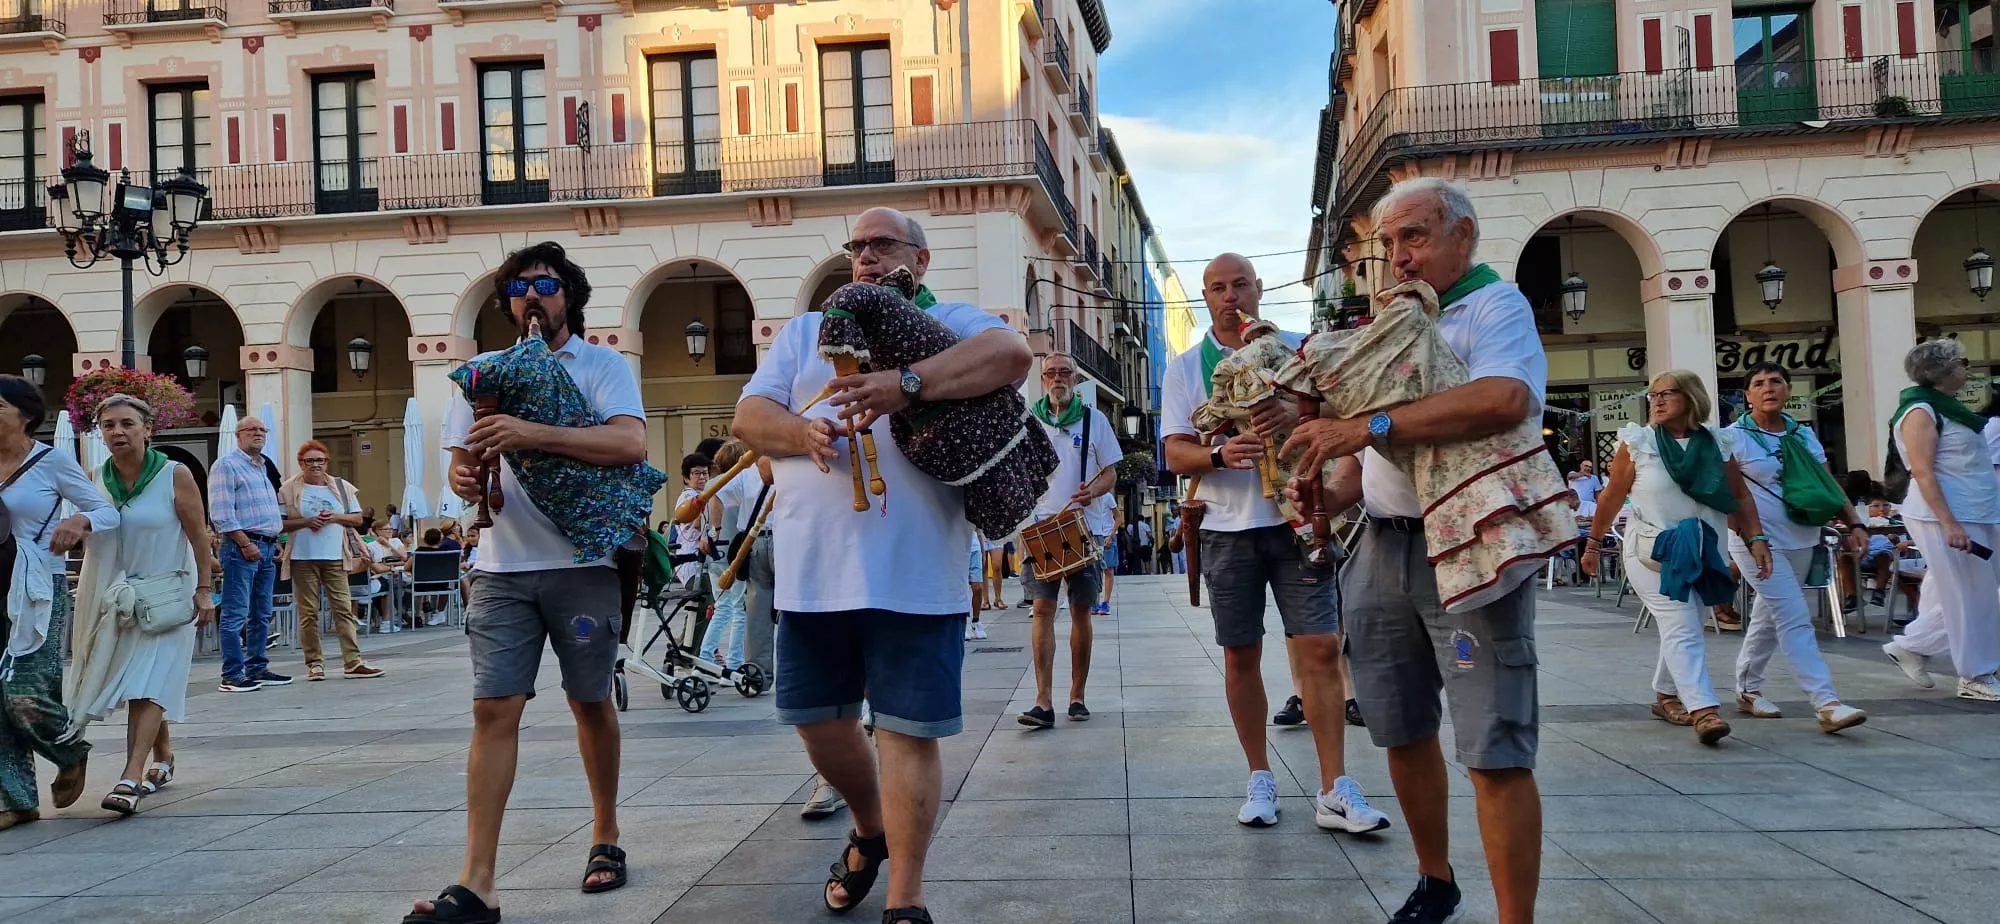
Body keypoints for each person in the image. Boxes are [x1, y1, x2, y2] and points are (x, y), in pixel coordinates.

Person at [732, 206, 1029, 924]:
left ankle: (906, 899)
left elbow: (1011, 356)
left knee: (907, 733)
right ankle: (870, 827)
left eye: (882, 244)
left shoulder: (950, 320)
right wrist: (800, 431)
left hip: (915, 570)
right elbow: (748, 418)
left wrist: (906, 385)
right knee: (817, 724)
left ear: (919, 260)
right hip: (812, 570)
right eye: (856, 246)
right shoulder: (806, 330)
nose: (864, 256)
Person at [1279, 180, 1547, 923]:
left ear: (1463, 235)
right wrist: (1330, 489)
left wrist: (1365, 428)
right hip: (1381, 546)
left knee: (1494, 742)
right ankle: (1436, 880)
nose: (1397, 256)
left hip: (1470, 544)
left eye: (1414, 237)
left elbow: (1504, 399)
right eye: (1389, 242)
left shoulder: (1494, 306)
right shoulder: (1393, 322)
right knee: (1398, 727)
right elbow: (1371, 458)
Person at [408, 241, 644, 923]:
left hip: (583, 564)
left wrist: (530, 432)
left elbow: (629, 443)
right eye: (518, 288)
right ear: (507, 303)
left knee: (589, 702)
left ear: (569, 294)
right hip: (501, 568)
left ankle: (606, 833)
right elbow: (461, 464)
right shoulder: (484, 373)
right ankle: (478, 880)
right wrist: (462, 478)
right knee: (493, 710)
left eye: (545, 284)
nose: (531, 296)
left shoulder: (600, 365)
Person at [1161, 253, 1388, 843]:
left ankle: (1335, 786)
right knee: (1241, 654)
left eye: (1240, 284)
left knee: (1320, 647)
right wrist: (1218, 455)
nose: (1230, 296)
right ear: (1206, 298)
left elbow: (1348, 411)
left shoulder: (1296, 350)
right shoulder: (1187, 367)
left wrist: (1294, 410)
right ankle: (1259, 776)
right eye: (1217, 288)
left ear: (1259, 289)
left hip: (1298, 520)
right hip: (1224, 528)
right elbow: (1175, 453)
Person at [1585, 369, 1771, 746]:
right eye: (1652, 395)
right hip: (1651, 551)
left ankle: (1665, 695)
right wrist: (1593, 542)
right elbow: (1612, 497)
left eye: (1666, 393)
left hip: (1703, 551)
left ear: (1690, 397)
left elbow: (1740, 496)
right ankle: (1704, 709)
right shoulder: (1639, 443)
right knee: (1682, 622)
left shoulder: (1716, 443)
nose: (1656, 401)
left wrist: (1756, 537)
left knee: (1685, 625)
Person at [65, 395, 215, 814]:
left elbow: (199, 535)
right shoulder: (96, 479)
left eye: (127, 423)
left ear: (148, 429)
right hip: (117, 599)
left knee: (149, 681)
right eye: (109, 425)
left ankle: (130, 778)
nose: (118, 432)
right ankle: (163, 757)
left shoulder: (174, 474)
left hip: (168, 594)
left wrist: (205, 589)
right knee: (140, 682)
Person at [1723, 363, 1868, 731]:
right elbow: (1725, 494)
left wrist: (1854, 522)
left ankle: (1747, 689)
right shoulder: (1731, 438)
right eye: (1758, 383)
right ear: (1747, 395)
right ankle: (1826, 702)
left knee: (1770, 615)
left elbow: (1827, 483)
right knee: (1793, 615)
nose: (1768, 388)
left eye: (1776, 381)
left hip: (1803, 536)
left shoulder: (1803, 434)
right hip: (1756, 542)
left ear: (1788, 389)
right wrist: (1748, 535)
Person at [0, 376, 116, 830]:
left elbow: (107, 511)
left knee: (22, 690)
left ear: (25, 415)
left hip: (35, 588)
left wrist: (80, 520)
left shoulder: (51, 461)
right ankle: (15, 801)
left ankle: (69, 752)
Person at [1882, 339, 2000, 701]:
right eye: (1962, 362)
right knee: (1972, 595)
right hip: (1946, 514)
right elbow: (1923, 471)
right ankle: (1976, 674)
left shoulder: (1949, 408)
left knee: (1970, 591)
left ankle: (1912, 647)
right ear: (1942, 370)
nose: (1968, 368)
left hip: (1976, 510)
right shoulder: (1920, 411)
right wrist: (1949, 523)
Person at [1016, 352, 1120, 727]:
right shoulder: (1029, 421)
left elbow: (1110, 473)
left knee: (1080, 610)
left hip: (1083, 527)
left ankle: (1077, 696)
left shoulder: (1094, 420)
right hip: (1041, 527)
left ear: (1075, 379)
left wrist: (1092, 493)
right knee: (1042, 609)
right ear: (1043, 379)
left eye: (1064, 372)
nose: (1057, 378)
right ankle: (1043, 701)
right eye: (1050, 373)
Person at [280, 440, 384, 680]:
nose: (315, 465)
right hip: (302, 557)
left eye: (320, 460)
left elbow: (357, 519)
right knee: (308, 613)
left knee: (343, 609)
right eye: (309, 461)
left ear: (327, 462)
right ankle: (314, 664)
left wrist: (334, 517)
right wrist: (307, 522)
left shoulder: (341, 486)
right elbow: (280, 523)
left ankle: (353, 662)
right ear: (301, 463)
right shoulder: (288, 488)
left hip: (335, 555)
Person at [210, 416, 290, 693]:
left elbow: (270, 508)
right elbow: (221, 513)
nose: (258, 433)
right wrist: (245, 543)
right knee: (235, 613)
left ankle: (257, 666)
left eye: (261, 430)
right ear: (238, 435)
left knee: (262, 612)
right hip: (241, 546)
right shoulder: (227, 465)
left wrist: (275, 539)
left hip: (266, 545)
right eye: (251, 430)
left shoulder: (264, 466)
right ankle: (232, 674)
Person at [699, 440, 754, 671]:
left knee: (721, 607)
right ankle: (734, 662)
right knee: (739, 608)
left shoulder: (711, 484)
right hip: (735, 551)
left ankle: (705, 657)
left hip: (714, 553)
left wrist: (711, 534)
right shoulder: (742, 482)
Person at [672, 454, 712, 589]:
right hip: (693, 562)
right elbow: (698, 523)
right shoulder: (689, 497)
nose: (702, 477)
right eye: (696, 473)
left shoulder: (703, 495)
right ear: (686, 478)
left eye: (705, 473)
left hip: (703, 561)